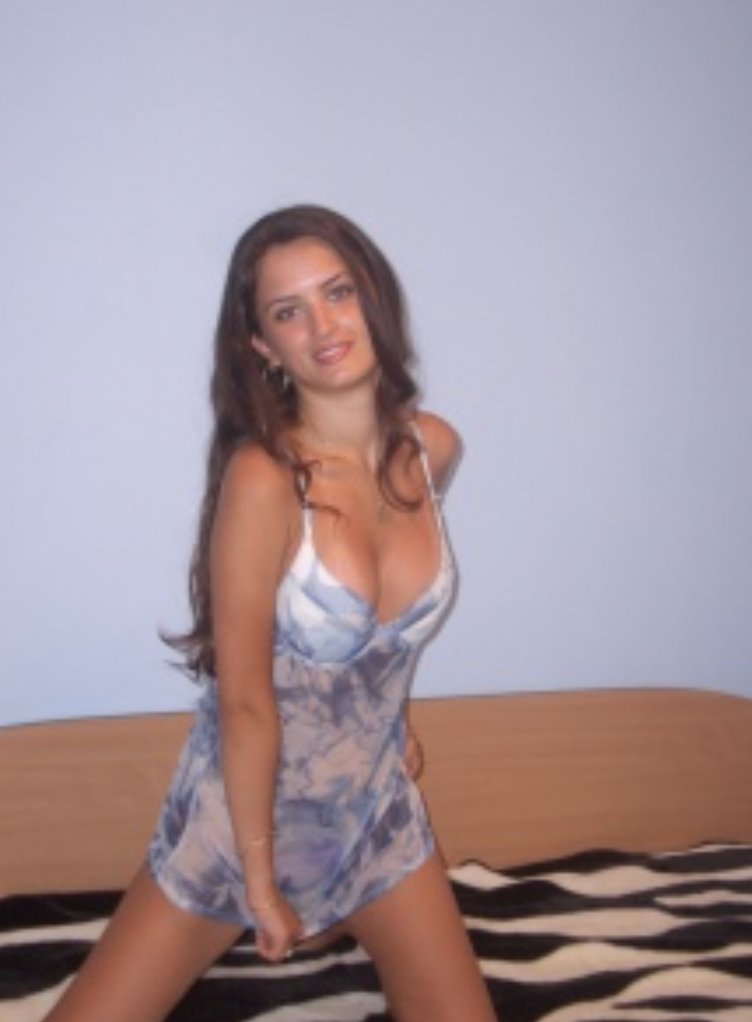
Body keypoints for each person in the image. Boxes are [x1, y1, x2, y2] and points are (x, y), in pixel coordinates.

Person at [44, 205, 496, 1022]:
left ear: (372, 297)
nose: (323, 326)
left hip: (374, 819)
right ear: (262, 345)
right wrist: (259, 879)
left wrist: (389, 715)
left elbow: (385, 637)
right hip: (238, 829)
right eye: (289, 312)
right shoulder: (264, 479)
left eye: (338, 293)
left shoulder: (435, 449)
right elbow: (247, 701)